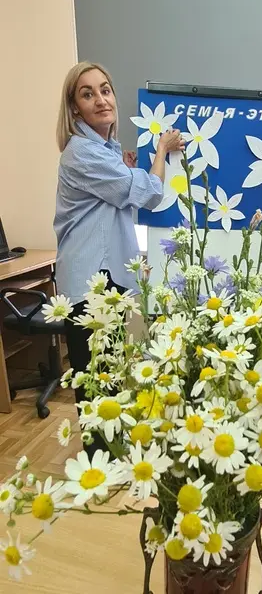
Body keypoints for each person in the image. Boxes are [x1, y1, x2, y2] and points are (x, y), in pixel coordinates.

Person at [54, 61, 184, 454]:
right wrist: (161, 150)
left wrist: (126, 168)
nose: (100, 99)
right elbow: (148, 193)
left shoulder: (104, 151)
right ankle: (98, 463)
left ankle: (110, 456)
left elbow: (114, 201)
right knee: (95, 378)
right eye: (87, 93)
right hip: (90, 279)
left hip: (106, 275)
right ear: (75, 108)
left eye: (105, 89)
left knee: (109, 372)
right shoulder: (81, 152)